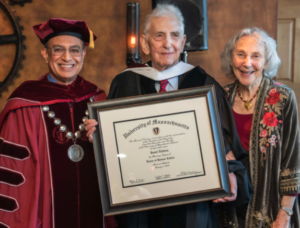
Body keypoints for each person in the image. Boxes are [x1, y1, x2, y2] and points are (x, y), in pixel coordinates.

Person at [85, 4, 252, 228]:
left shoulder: (206, 86)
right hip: (139, 206)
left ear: (183, 42)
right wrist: (98, 137)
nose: (168, 44)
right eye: (159, 35)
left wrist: (233, 179)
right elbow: (115, 148)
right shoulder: (125, 83)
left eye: (174, 35)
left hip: (192, 209)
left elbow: (229, 150)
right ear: (145, 43)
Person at [0, 18, 117, 228]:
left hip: (94, 210)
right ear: (45, 54)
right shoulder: (25, 105)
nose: (67, 58)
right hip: (46, 216)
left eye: (74, 50)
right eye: (58, 50)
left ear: (83, 54)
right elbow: (14, 175)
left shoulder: (98, 99)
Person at [221, 27, 300, 228]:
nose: (247, 63)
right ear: (232, 59)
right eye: (241, 55)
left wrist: (285, 213)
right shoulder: (220, 98)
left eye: (256, 56)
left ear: (266, 62)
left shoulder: (283, 98)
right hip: (228, 210)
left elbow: (292, 160)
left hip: (272, 209)